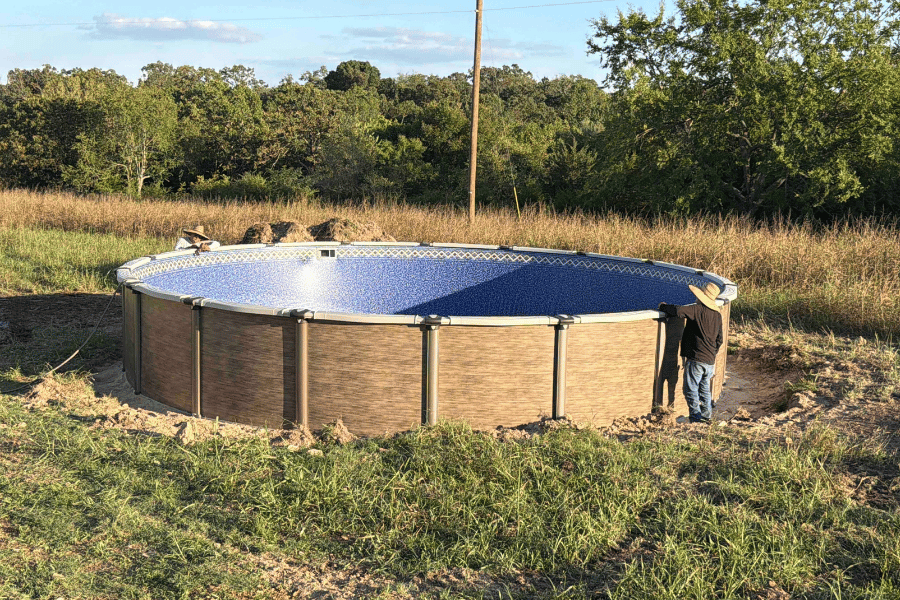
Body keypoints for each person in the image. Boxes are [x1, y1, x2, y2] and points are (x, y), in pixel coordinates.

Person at [658, 282, 723, 423]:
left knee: (690, 389)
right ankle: (706, 416)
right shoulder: (717, 315)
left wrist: (662, 307)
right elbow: (720, 340)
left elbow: (677, 311)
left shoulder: (697, 309)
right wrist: (712, 353)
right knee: (704, 389)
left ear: (701, 297)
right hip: (710, 361)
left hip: (696, 359)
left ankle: (695, 417)